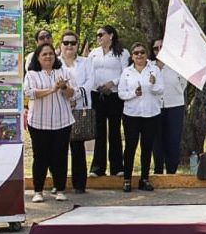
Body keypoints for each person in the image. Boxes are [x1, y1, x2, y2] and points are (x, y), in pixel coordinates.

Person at [23, 42, 75, 203]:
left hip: (62, 121)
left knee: (60, 156)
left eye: (51, 53)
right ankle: (38, 191)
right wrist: (52, 89)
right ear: (38, 57)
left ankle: (60, 189)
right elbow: (29, 93)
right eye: (44, 54)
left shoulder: (63, 71)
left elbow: (72, 94)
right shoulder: (31, 74)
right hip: (39, 123)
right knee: (40, 157)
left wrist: (64, 87)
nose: (48, 57)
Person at [118, 42, 164, 192]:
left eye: (142, 52)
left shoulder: (154, 69)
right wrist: (134, 93)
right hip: (132, 114)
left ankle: (144, 179)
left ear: (146, 54)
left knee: (147, 147)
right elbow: (121, 93)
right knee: (130, 146)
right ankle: (127, 179)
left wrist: (152, 85)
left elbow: (160, 90)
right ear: (132, 56)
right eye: (136, 53)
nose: (139, 55)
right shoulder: (127, 72)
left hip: (150, 114)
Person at [88, 25, 129, 177]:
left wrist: (113, 82)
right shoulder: (94, 53)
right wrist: (96, 86)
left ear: (111, 35)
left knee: (114, 130)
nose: (98, 37)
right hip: (97, 94)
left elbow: (126, 73)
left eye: (101, 34)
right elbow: (89, 72)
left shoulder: (122, 52)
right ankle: (98, 168)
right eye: (97, 35)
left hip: (114, 95)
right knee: (99, 131)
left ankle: (117, 167)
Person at [58, 30, 93, 193]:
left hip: (79, 108)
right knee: (59, 148)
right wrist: (66, 97)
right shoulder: (55, 63)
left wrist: (74, 96)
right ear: (60, 45)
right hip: (59, 108)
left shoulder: (86, 62)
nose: (69, 46)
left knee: (78, 147)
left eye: (73, 43)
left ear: (77, 45)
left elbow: (89, 82)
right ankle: (59, 184)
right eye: (66, 43)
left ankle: (79, 184)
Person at [149, 39, 188, 175]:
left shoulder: (176, 64)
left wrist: (175, 93)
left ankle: (172, 171)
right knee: (156, 140)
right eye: (155, 48)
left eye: (161, 47)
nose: (159, 50)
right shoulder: (149, 66)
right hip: (155, 107)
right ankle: (158, 171)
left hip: (175, 105)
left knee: (173, 139)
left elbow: (183, 83)